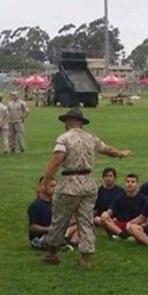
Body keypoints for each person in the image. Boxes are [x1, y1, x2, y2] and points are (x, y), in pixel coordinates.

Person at [40, 108, 130, 268]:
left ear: (68, 122)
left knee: (60, 219)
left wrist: (46, 180)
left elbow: (56, 160)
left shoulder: (64, 139)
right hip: (89, 184)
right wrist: (120, 154)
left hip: (69, 183)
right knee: (86, 220)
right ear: (81, 123)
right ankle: (86, 257)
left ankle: (52, 252)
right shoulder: (91, 138)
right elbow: (107, 150)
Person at [98, 173, 146, 239]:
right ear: (124, 184)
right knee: (105, 220)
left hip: (134, 224)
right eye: (128, 181)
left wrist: (131, 223)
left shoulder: (143, 199)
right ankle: (122, 235)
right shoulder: (119, 198)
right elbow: (110, 210)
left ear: (138, 184)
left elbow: (144, 217)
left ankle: (121, 234)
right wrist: (106, 214)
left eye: (133, 182)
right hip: (120, 223)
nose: (130, 184)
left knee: (138, 227)